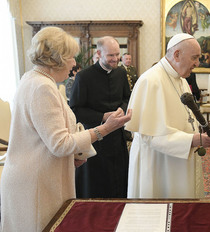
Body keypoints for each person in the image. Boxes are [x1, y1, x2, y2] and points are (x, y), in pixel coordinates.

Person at [0, 27, 132, 232]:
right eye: (70, 57)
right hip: (35, 183)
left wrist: (74, 155)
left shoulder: (33, 79)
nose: (73, 63)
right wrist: (104, 129)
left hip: (37, 174)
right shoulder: (42, 87)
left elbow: (47, 134)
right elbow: (60, 144)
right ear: (57, 59)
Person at [126, 33, 210, 199]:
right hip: (158, 165)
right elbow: (149, 136)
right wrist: (192, 140)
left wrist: (197, 136)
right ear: (177, 55)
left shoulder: (181, 79)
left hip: (180, 159)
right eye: (194, 58)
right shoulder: (151, 81)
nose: (197, 63)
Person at [69, 36, 131, 198]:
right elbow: (75, 110)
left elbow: (127, 99)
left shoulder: (121, 73)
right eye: (111, 55)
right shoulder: (84, 77)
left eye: (117, 54)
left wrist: (121, 111)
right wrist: (103, 116)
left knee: (119, 180)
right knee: (96, 184)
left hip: (117, 137)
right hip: (95, 138)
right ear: (99, 53)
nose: (116, 59)